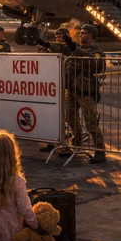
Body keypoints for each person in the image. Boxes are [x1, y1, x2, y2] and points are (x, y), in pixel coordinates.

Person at [37, 24, 107, 163]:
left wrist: (74, 48)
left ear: (91, 35)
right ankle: (76, 144)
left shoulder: (97, 52)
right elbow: (62, 48)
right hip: (72, 90)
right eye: (80, 32)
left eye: (83, 33)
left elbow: (93, 62)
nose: (80, 35)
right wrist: (44, 43)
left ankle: (100, 151)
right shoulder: (77, 49)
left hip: (86, 92)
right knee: (70, 117)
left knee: (91, 122)